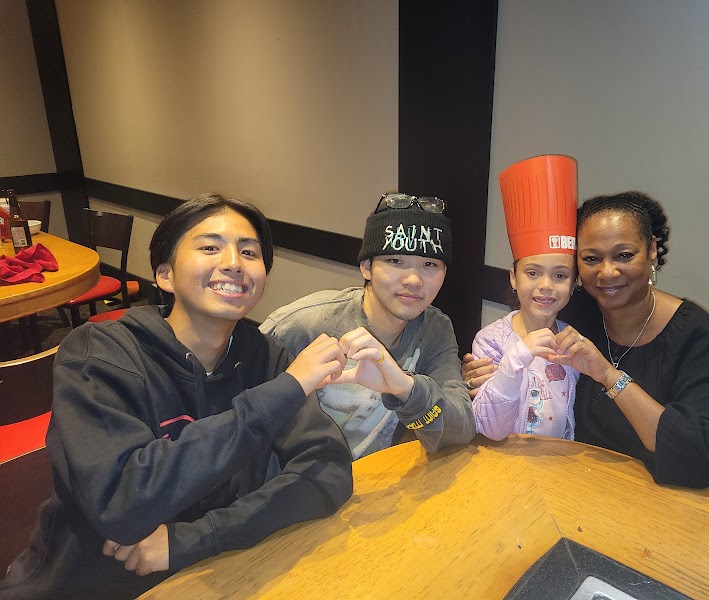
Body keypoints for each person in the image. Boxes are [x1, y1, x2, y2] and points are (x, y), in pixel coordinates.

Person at [0, 194, 353, 600]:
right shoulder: (99, 355)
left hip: (218, 572)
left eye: (249, 252)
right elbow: (121, 502)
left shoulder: (266, 357)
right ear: (165, 275)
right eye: (210, 247)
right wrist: (285, 391)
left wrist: (192, 539)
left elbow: (327, 469)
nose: (234, 263)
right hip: (85, 586)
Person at [464, 191, 709, 491]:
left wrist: (610, 376)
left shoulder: (694, 333)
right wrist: (479, 373)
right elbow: (516, 344)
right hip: (569, 484)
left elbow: (706, 456)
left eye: (624, 255)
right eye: (591, 259)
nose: (607, 272)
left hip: (662, 495)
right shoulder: (576, 312)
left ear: (651, 249)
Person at [261, 192, 475, 459]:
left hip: (376, 477)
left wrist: (404, 387)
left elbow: (461, 429)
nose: (413, 280)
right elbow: (242, 419)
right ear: (366, 267)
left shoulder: (434, 328)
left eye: (429, 264)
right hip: (297, 477)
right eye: (395, 261)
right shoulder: (301, 325)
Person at [471, 155, 580, 441]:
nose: (546, 286)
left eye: (560, 275)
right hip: (505, 460)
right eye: (532, 273)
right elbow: (490, 428)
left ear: (573, 284)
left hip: (556, 461)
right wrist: (517, 356)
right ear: (513, 277)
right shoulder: (491, 341)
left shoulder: (571, 341)